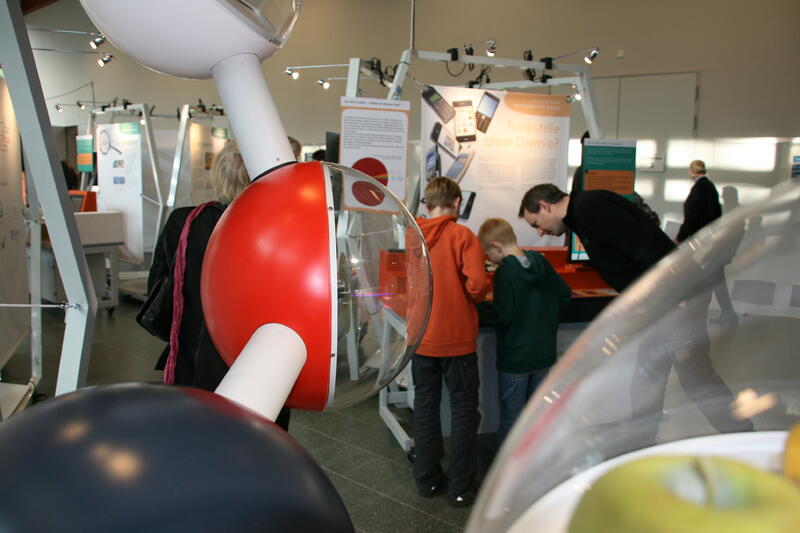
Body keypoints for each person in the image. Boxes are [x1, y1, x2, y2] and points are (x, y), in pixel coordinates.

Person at [518, 183, 751, 445]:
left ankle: (742, 434)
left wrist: (676, 291)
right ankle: (641, 441)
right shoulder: (582, 214)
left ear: (545, 206)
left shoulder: (592, 207)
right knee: (647, 374)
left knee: (694, 375)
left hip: (675, 299)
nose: (540, 231)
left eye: (536, 223)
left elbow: (645, 246)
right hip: (660, 304)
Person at [148, 140, 291, 430]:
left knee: (198, 436)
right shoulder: (283, 228)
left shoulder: (184, 221)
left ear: (220, 173)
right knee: (262, 438)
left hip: (196, 360)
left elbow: (158, 287)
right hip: (267, 362)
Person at [412, 177, 489, 507]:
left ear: (428, 204)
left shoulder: (412, 234)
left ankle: (427, 481)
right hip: (457, 340)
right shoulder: (463, 236)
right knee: (463, 412)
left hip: (421, 337)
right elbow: (477, 286)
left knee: (425, 407)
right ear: (457, 202)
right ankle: (460, 488)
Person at [477, 218, 571, 445]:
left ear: (495, 246)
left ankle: (508, 465)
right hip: (544, 356)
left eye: (488, 255)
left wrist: (479, 308)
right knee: (536, 419)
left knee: (512, 420)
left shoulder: (505, 273)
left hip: (515, 360)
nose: (489, 260)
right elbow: (564, 295)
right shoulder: (541, 261)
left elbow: (503, 315)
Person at [676, 160, 738, 325]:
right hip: (712, 245)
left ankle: (699, 311)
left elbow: (693, 217)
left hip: (706, 245)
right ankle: (728, 314)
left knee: (706, 279)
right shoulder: (710, 189)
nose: (723, 197)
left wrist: (681, 237)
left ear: (692, 171)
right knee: (717, 280)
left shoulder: (701, 188)